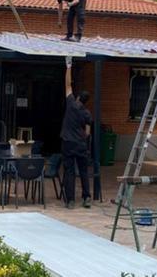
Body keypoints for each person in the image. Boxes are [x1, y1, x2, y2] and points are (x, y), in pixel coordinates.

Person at [60, 56, 92, 209]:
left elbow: (67, 85)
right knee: (84, 172)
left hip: (68, 143)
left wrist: (68, 66)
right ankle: (86, 198)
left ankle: (71, 200)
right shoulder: (86, 113)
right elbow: (87, 131)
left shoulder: (71, 103)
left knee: (69, 171)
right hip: (81, 144)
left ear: (78, 97)